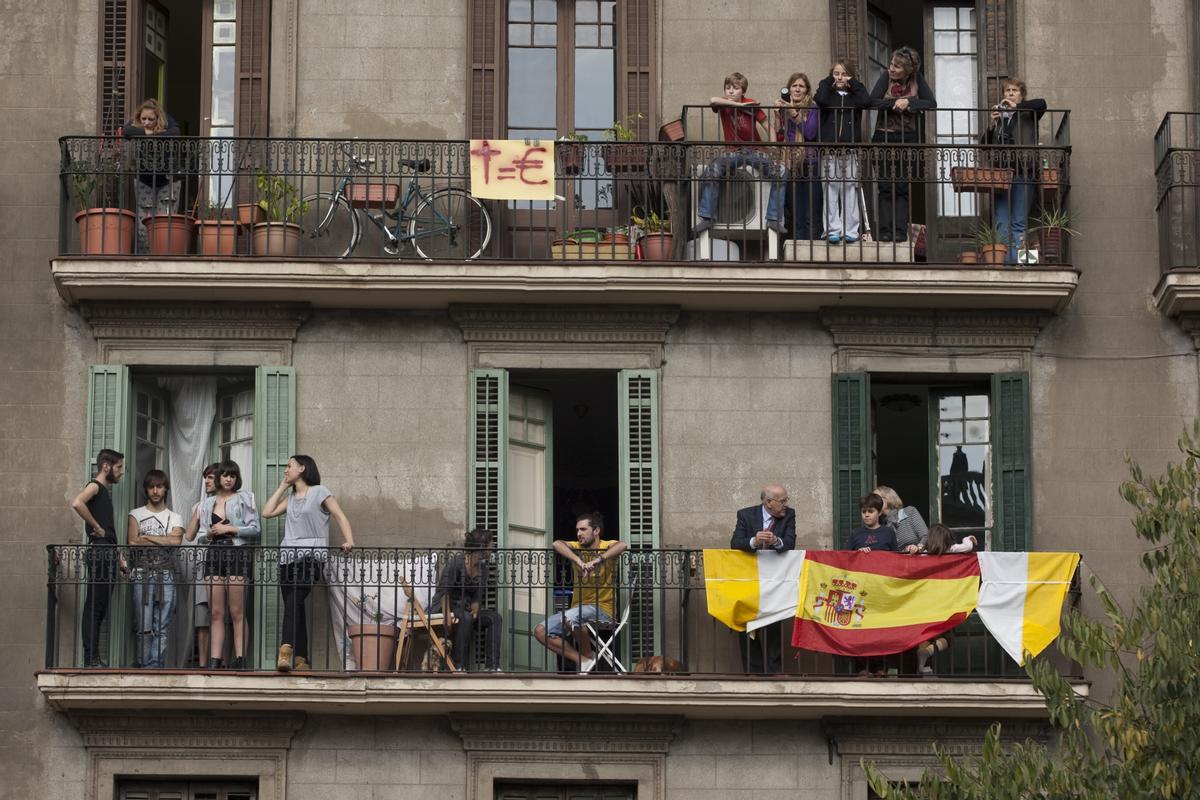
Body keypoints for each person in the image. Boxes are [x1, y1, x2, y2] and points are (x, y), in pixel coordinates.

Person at [261, 454, 354, 672]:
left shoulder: (320, 491)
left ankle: (285, 650)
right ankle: (302, 659)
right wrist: (283, 486)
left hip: (311, 557)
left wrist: (349, 541)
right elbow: (267, 512)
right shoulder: (291, 498)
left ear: (302, 468)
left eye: (289, 467)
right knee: (295, 606)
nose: (285, 470)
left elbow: (340, 516)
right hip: (287, 559)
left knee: (294, 600)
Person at [695, 72, 788, 237]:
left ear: (743, 91)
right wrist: (739, 107)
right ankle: (708, 217)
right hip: (733, 152)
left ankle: (773, 218)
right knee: (713, 169)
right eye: (727, 88)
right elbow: (712, 100)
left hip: (755, 151)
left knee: (780, 172)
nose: (730, 91)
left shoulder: (751, 103)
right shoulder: (723, 104)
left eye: (735, 88)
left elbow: (768, 125)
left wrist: (773, 147)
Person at [534, 512, 627, 673]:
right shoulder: (577, 548)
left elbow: (623, 545)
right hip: (576, 612)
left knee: (572, 617)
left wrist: (597, 561)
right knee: (540, 631)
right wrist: (579, 561)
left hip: (604, 611)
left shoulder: (606, 546)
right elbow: (557, 544)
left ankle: (588, 659)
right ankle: (585, 660)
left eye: (583, 529)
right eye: (577, 530)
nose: (579, 534)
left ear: (596, 531)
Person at [868, 46, 936, 242]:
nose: (891, 68)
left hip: (908, 140)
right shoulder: (884, 77)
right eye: (891, 64)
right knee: (885, 185)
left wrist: (910, 102)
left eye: (896, 66)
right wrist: (894, 103)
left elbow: (931, 103)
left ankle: (899, 231)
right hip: (883, 138)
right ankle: (884, 231)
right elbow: (872, 101)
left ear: (908, 70)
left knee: (902, 187)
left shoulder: (917, 80)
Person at [197, 460, 259, 670]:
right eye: (224, 475)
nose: (228, 479)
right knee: (216, 612)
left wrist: (230, 529)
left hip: (237, 553)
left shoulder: (245, 498)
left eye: (232, 475)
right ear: (218, 477)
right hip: (214, 555)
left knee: (237, 611)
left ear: (236, 478)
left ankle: (241, 659)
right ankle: (215, 660)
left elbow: (255, 529)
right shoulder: (207, 504)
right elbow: (200, 537)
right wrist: (209, 534)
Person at [731, 484, 797, 673]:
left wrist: (776, 541)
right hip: (750, 579)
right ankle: (754, 671)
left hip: (776, 580)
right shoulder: (745, 515)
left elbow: (790, 543)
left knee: (774, 623)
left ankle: (774, 670)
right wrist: (754, 540)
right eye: (782, 501)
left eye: (786, 500)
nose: (786, 504)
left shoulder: (789, 515)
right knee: (747, 625)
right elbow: (736, 543)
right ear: (769, 502)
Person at [69, 449, 126, 667]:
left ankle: (93, 658)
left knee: (99, 607)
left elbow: (110, 531)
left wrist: (119, 558)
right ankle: (90, 658)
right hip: (100, 552)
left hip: (108, 552)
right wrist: (96, 527)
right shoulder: (95, 486)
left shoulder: (104, 493)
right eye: (119, 467)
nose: (121, 472)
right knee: (94, 606)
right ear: (106, 466)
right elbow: (77, 503)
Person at [984, 78, 1047, 263]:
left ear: (1021, 94)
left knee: (1019, 222)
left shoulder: (1028, 113)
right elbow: (985, 145)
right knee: (1002, 222)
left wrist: (1015, 108)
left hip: (1024, 173)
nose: (1010, 93)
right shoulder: (999, 120)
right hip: (1002, 176)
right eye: (1007, 91)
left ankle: (1019, 265)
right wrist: (992, 124)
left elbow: (1042, 103)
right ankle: (1004, 264)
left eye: (1015, 90)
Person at [127, 469, 184, 668]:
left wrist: (148, 537)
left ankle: (154, 665)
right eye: (151, 487)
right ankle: (145, 665)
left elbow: (176, 541)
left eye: (159, 486)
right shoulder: (136, 514)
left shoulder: (175, 517)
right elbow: (133, 542)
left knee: (162, 626)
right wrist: (164, 539)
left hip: (166, 573)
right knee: (143, 624)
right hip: (142, 572)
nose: (155, 491)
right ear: (146, 490)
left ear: (165, 488)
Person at [429, 527, 502, 672]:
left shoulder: (483, 570)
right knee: (466, 617)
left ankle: (492, 667)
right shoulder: (457, 563)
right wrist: (446, 615)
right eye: (490, 544)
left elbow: (476, 599)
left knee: (494, 618)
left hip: (465, 606)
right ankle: (459, 666)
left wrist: (476, 611)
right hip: (447, 604)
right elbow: (444, 591)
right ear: (482, 547)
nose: (493, 547)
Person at [814, 61, 871, 243]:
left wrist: (853, 83)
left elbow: (866, 101)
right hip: (829, 150)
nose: (839, 77)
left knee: (850, 189)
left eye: (844, 73)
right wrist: (828, 81)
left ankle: (851, 230)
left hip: (850, 150)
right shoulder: (828, 94)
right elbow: (819, 99)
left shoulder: (854, 96)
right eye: (836, 73)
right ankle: (832, 229)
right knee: (830, 189)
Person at [914, 524, 978, 674]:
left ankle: (925, 669)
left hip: (924, 602)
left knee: (924, 634)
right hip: (944, 601)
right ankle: (930, 651)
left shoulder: (923, 554)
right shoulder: (951, 550)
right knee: (948, 638)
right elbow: (967, 547)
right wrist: (968, 538)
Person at [121, 98, 182, 254]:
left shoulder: (167, 119)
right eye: (144, 119)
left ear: (158, 118)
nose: (147, 122)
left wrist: (152, 135)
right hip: (144, 179)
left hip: (168, 179)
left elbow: (176, 133)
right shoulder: (137, 124)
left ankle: (163, 254)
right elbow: (126, 131)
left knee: (165, 219)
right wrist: (146, 132)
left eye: (151, 119)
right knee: (144, 221)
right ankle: (144, 256)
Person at [775, 72, 823, 240]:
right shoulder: (785, 108)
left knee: (812, 210)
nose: (797, 89)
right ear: (788, 89)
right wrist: (778, 114)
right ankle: (800, 247)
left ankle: (814, 247)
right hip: (791, 164)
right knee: (796, 211)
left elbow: (810, 133)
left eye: (801, 86)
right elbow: (779, 137)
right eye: (794, 85)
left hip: (810, 163)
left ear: (807, 90)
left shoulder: (812, 108)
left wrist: (793, 113)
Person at [183, 463, 219, 667]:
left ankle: (223, 662)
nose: (206, 481)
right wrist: (198, 512)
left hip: (223, 564)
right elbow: (189, 535)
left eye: (211, 477)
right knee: (202, 617)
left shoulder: (231, 502)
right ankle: (204, 665)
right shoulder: (200, 506)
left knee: (223, 617)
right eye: (205, 477)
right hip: (203, 563)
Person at [874, 485, 929, 554]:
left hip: (918, 560)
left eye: (876, 498)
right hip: (899, 563)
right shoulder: (881, 526)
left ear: (887, 498)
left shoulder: (909, 512)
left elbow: (925, 536)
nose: (873, 502)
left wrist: (918, 548)